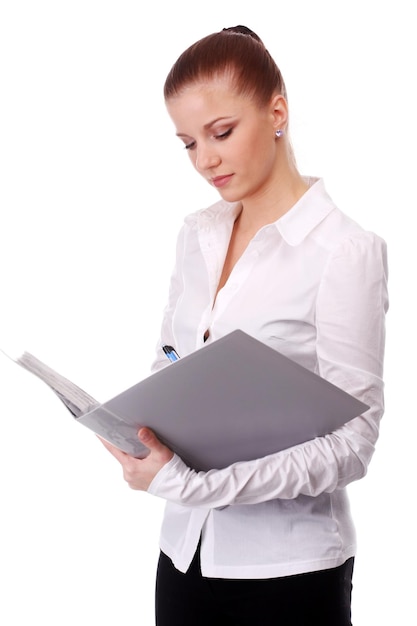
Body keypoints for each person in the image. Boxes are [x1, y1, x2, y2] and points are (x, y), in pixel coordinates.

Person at [101, 25, 388, 625]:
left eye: (221, 133)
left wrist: (198, 486)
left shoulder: (344, 252)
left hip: (287, 574)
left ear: (277, 111)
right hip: (182, 558)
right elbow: (171, 366)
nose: (205, 160)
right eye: (187, 144)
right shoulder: (197, 236)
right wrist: (141, 439)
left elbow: (352, 447)